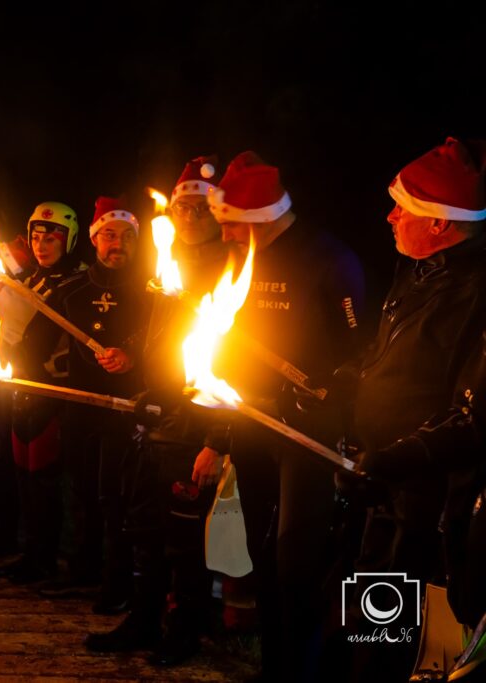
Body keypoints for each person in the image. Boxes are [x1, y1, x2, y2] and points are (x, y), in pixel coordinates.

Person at [204, 152, 365, 682]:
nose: (224, 236)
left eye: (230, 225)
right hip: (252, 422)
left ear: (261, 217)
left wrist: (331, 390)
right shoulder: (240, 259)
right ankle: (275, 663)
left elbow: (358, 350)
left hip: (306, 431)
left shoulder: (327, 258)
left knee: (297, 555)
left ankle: (306, 665)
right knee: (260, 549)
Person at [340, 137, 486, 681]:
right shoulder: (419, 270)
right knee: (374, 625)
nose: (390, 215)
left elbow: (471, 412)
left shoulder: (475, 290)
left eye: (403, 207)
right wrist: (347, 382)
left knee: (413, 643)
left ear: (440, 224)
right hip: (387, 486)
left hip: (434, 504)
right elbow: (397, 361)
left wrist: (401, 456)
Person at [85, 156, 228, 663]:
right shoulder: (170, 262)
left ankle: (184, 631)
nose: (187, 215)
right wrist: (134, 364)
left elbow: (230, 359)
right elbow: (158, 335)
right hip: (154, 417)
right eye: (181, 206)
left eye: (198, 207)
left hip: (195, 423)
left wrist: (216, 437)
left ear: (217, 211)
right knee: (144, 527)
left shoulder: (231, 263)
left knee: (184, 538)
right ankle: (144, 619)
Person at [39, 197, 150, 614]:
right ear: (94, 239)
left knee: (114, 496)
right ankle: (83, 571)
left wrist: (132, 354)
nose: (116, 243)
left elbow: (163, 336)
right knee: (82, 490)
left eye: (126, 236)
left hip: (126, 409)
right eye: (108, 235)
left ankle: (117, 581)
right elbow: (33, 337)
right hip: (81, 405)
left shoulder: (153, 291)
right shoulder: (72, 291)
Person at [0, 202, 85, 584]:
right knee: (25, 474)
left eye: (51, 238)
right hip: (21, 386)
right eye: (36, 237)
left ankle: (51, 560)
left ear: (70, 240)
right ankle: (32, 553)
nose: (42, 245)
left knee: (46, 477)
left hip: (52, 389)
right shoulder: (29, 279)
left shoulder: (76, 283)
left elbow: (45, 339)